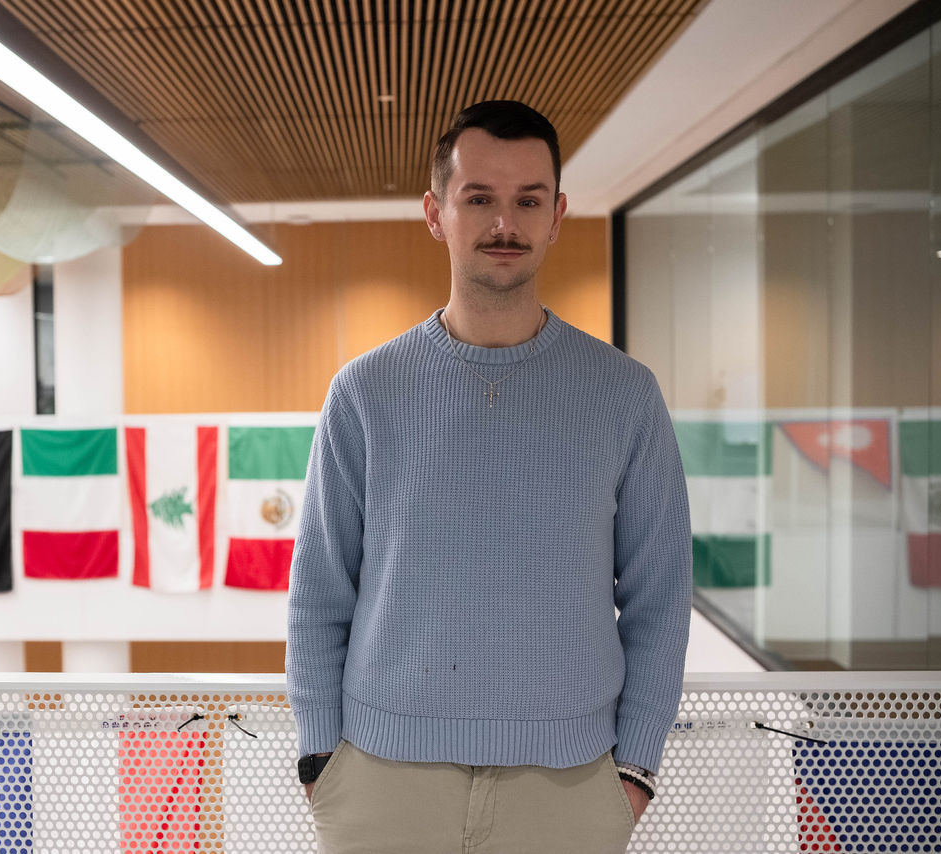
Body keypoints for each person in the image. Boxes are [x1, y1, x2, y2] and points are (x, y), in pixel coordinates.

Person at [285, 100, 692, 854]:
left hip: (570, 788)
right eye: (480, 199)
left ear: (557, 214)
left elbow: (660, 599)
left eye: (527, 200)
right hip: (381, 780)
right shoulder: (365, 392)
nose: (505, 223)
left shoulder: (625, 395)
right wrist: (321, 756)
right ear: (436, 213)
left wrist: (633, 767)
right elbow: (319, 590)